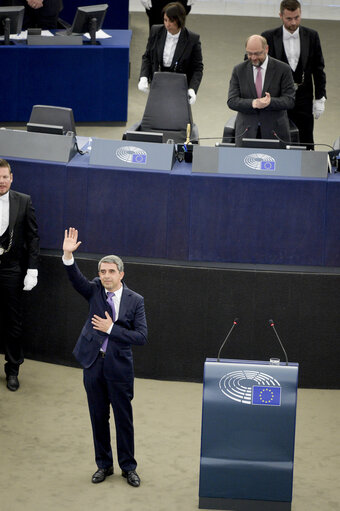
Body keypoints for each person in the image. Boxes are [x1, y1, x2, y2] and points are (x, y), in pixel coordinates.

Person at [62, 228, 147, 487]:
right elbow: (77, 280)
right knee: (98, 417)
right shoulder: (95, 290)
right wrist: (68, 255)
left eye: (111, 271)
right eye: (102, 271)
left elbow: (141, 336)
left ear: (121, 274)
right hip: (93, 364)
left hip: (119, 368)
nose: (106, 276)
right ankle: (104, 465)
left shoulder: (136, 301)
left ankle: (128, 467)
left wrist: (111, 329)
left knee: (123, 419)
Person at [262, 0, 326, 148]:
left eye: (297, 17)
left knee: (305, 137)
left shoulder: (312, 36)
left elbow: (318, 69)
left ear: (300, 14)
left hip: (304, 95)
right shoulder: (269, 36)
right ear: (280, 16)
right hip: (278, 96)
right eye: (289, 18)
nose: (293, 22)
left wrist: (320, 97)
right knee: (277, 137)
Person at [0, 159, 39, 391]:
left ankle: (13, 370)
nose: (1, 182)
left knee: (13, 323)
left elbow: (33, 238)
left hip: (11, 270)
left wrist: (32, 270)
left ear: (11, 178)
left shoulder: (23, 201)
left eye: (5, 177)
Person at [227, 34, 295, 146]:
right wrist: (253, 103)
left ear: (266, 49)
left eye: (257, 53)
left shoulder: (283, 69)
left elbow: (289, 100)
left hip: (275, 133)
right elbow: (232, 101)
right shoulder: (239, 70)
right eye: (249, 53)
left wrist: (270, 102)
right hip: (246, 133)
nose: (253, 58)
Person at [138, 1, 203, 105]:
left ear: (180, 20)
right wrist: (144, 77)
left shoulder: (192, 39)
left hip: (179, 86)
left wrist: (192, 89)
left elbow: (197, 68)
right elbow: (147, 57)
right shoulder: (156, 31)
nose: (167, 24)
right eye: (165, 20)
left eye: (171, 21)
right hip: (158, 82)